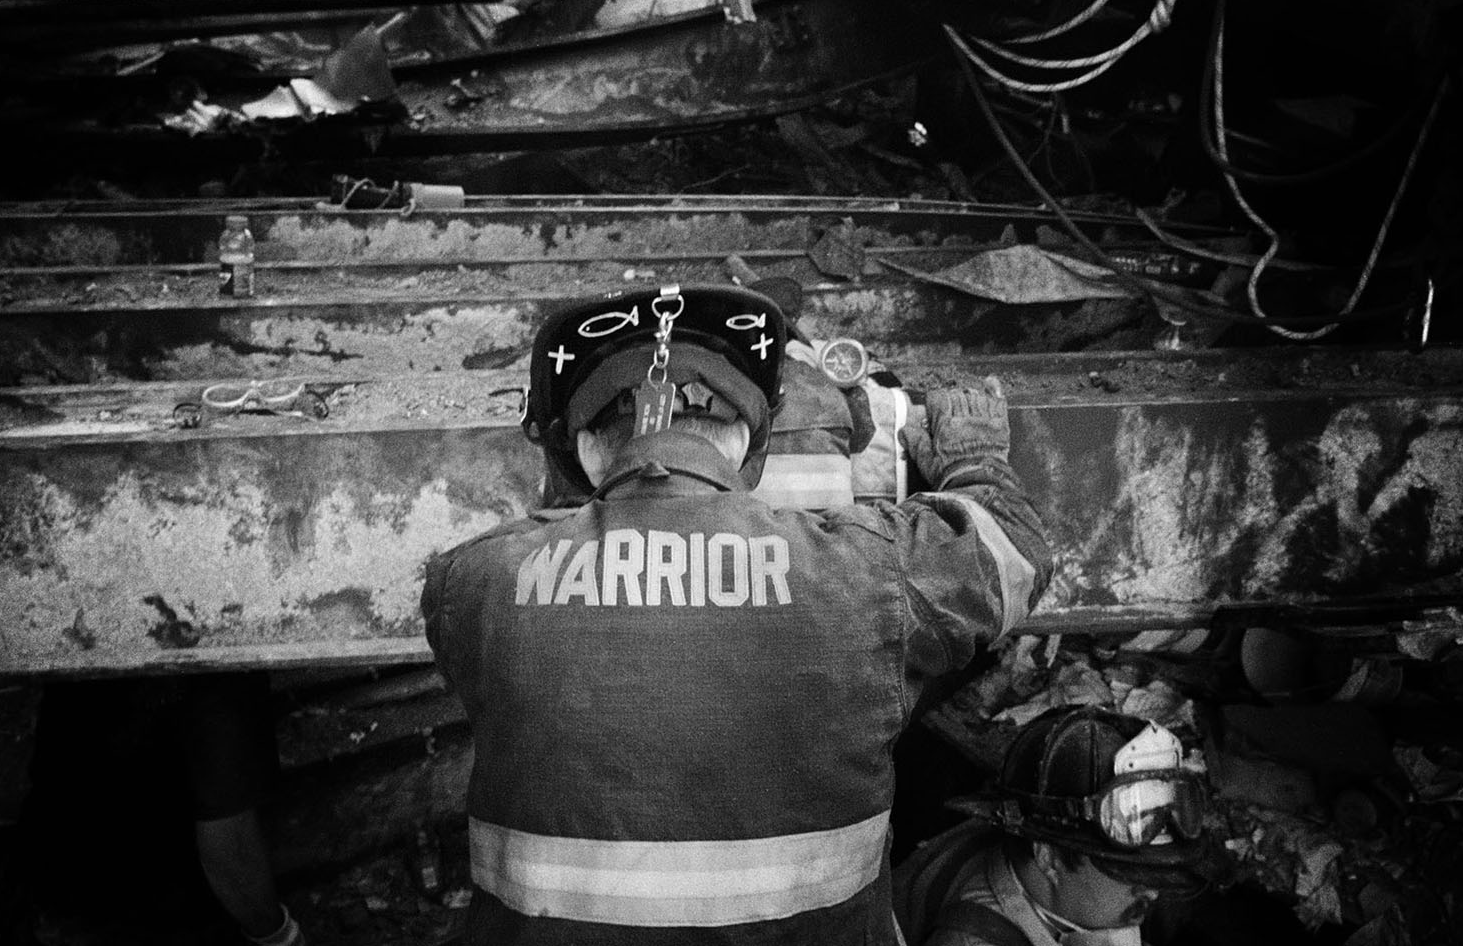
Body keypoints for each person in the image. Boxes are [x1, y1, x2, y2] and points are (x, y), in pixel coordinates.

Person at [420, 282, 1053, 944]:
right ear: (747, 439)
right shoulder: (869, 572)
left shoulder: (473, 582)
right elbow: (1013, 552)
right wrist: (974, 457)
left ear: (584, 451)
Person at [19, 672, 306, 946]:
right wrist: (278, 935)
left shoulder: (82, 645)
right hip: (144, 917)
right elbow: (231, 850)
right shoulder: (215, 668)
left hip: (54, 888)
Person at [893, 706, 1214, 946]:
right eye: (1129, 874)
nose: (1153, 892)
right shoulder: (971, 939)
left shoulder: (1021, 834)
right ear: (1049, 858)